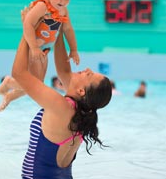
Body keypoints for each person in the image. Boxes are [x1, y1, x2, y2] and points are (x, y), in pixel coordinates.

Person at [11, 16, 112, 178]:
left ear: (81, 91)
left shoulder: (61, 106)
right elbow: (63, 70)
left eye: (89, 74)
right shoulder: (80, 112)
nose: (86, 69)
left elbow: (18, 73)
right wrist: (57, 27)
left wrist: (27, 30)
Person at [0, 0, 80, 112]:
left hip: (45, 50)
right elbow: (28, 24)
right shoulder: (42, 7)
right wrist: (34, 47)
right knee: (35, 84)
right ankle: (9, 82)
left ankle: (10, 96)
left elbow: (68, 30)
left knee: (38, 84)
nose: (63, 1)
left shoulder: (64, 11)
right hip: (33, 48)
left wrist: (73, 49)